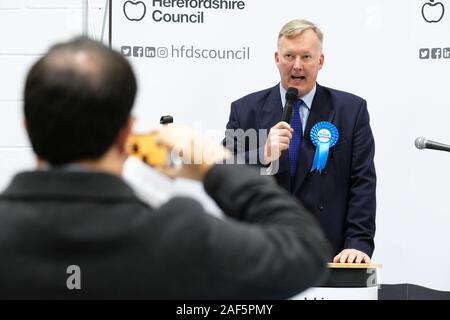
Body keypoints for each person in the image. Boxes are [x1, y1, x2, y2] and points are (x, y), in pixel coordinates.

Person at [0, 37, 330, 299]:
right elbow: (303, 251)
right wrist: (216, 166)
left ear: (27, 126)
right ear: (126, 132)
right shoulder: (177, 234)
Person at [224, 19, 376, 264]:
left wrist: (357, 243)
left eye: (306, 56)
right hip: (261, 251)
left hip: (330, 255)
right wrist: (262, 154)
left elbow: (362, 182)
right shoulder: (245, 110)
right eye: (289, 56)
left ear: (320, 61)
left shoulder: (351, 110)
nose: (297, 66)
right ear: (276, 58)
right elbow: (224, 170)